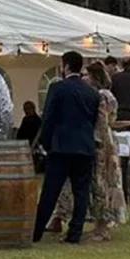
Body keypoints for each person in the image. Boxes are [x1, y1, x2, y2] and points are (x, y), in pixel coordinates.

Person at [47, 63, 124, 240]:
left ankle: (102, 227)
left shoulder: (103, 95)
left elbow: (102, 124)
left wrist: (99, 145)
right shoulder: (100, 95)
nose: (83, 79)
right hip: (100, 142)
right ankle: (86, 222)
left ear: (95, 77)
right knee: (92, 185)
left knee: (101, 185)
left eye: (86, 75)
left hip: (101, 145)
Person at [33, 51, 100, 244]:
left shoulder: (57, 88)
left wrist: (46, 143)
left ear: (66, 65)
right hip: (84, 146)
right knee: (81, 192)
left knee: (50, 192)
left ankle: (36, 231)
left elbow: (48, 119)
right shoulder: (92, 93)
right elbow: (92, 120)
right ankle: (75, 233)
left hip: (61, 146)